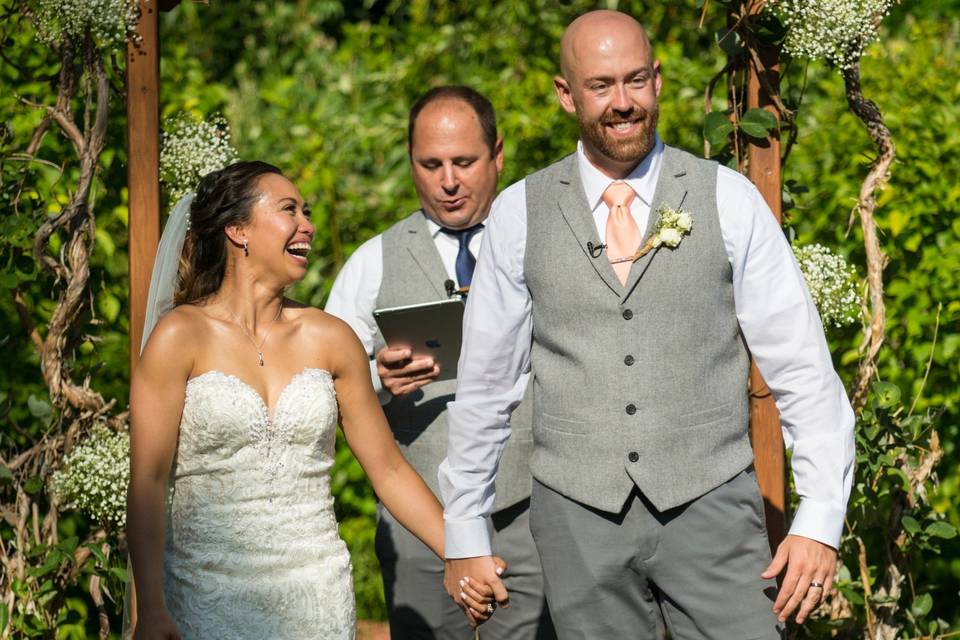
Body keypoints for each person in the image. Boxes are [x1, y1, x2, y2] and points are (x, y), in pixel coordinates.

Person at [440, 10, 855, 639]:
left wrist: (820, 517)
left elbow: (801, 366)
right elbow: (486, 385)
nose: (623, 102)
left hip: (713, 505)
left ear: (658, 80)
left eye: (636, 80)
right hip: (578, 517)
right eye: (601, 85)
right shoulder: (519, 212)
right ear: (565, 94)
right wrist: (464, 528)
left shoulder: (728, 199)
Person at [126, 161, 495, 640]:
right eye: (288, 210)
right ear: (238, 230)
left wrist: (461, 551)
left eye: (307, 211)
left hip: (316, 597)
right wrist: (150, 608)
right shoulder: (179, 336)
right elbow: (149, 481)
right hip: (204, 596)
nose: (308, 225)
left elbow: (389, 470)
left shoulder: (330, 337)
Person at [326, 86, 553, 639]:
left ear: (497, 155)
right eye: (431, 165)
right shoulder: (373, 262)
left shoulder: (543, 244)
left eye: (464, 162)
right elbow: (319, 393)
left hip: (533, 512)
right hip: (418, 522)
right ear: (411, 165)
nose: (448, 181)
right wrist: (376, 381)